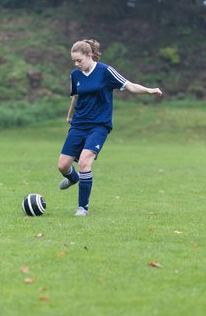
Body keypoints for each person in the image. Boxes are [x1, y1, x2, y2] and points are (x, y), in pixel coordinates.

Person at [58, 39, 162, 216]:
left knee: (84, 162)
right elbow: (75, 98)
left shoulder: (105, 71)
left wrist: (149, 90)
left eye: (79, 60)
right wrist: (69, 116)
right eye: (74, 61)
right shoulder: (75, 75)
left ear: (89, 55)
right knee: (62, 166)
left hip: (99, 125)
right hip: (79, 124)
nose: (76, 64)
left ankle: (82, 208)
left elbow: (129, 85)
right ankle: (73, 178)